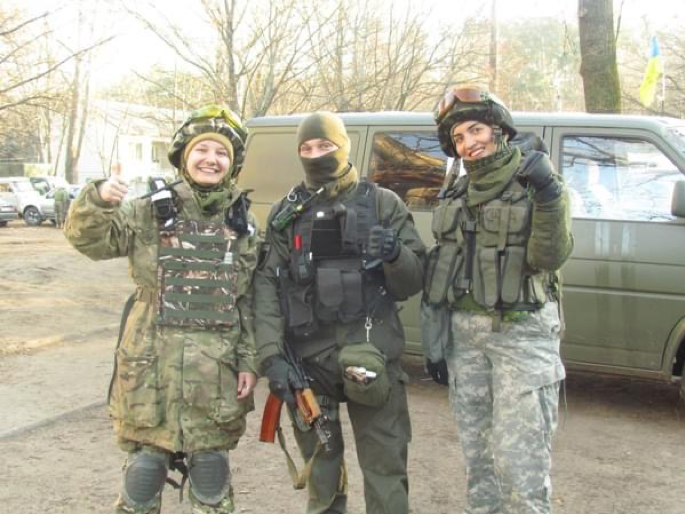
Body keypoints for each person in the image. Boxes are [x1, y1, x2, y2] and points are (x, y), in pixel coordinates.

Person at [64, 106, 260, 514]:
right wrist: (100, 201)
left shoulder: (243, 222)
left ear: (232, 163)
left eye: (221, 153)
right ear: (184, 156)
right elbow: (90, 242)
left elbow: (246, 300)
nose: (211, 159)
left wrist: (249, 361)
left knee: (211, 472)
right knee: (144, 471)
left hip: (215, 370)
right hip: (151, 367)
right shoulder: (147, 210)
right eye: (202, 149)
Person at [254, 111, 425, 514]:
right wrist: (271, 357)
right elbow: (265, 287)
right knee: (322, 474)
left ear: (343, 146)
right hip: (307, 364)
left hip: (372, 355)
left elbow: (414, 280)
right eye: (307, 148)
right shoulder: (286, 213)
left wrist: (395, 255)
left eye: (325, 145)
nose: (317, 155)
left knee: (385, 471)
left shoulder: (383, 203)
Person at [422, 87, 574, 514]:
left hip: (521, 338)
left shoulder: (536, 182)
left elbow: (549, 257)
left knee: (521, 466)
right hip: (465, 343)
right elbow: (445, 270)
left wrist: (548, 193)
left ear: (498, 129)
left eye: (476, 130)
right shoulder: (456, 192)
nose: (469, 143)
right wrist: (438, 344)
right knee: (479, 463)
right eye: (459, 138)